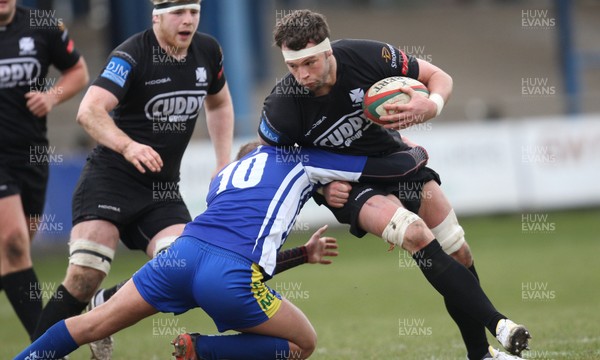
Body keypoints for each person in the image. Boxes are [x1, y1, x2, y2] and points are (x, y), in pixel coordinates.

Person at [16, 141, 518, 360]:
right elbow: (376, 168)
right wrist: (414, 156)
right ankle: (202, 349)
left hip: (178, 254)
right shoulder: (303, 159)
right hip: (228, 274)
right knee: (303, 344)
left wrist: (299, 255)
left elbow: (234, 233)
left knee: (88, 326)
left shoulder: (224, 177)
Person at [258, 9, 531, 360]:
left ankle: (480, 355)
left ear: (328, 51)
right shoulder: (282, 106)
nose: (302, 75)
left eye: (309, 63)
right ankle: (501, 325)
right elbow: (270, 161)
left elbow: (438, 76)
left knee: (458, 252)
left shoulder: (366, 56)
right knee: (414, 233)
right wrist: (320, 190)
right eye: (292, 66)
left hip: (394, 161)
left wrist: (431, 105)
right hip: (348, 185)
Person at [31, 0, 234, 358]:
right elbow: (88, 110)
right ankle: (36, 354)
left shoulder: (208, 50)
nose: (187, 21)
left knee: (182, 271)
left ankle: (106, 302)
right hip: (110, 179)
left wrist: (222, 162)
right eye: (178, 13)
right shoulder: (131, 55)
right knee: (85, 274)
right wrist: (128, 147)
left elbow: (218, 103)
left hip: (162, 191)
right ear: (156, 15)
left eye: (194, 12)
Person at [0, 0, 89, 341]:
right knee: (12, 243)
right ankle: (44, 344)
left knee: (12, 255)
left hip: (32, 156)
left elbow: (78, 70)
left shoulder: (41, 25)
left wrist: (52, 97)